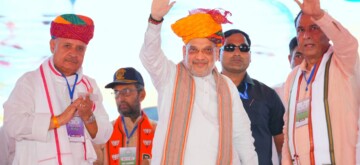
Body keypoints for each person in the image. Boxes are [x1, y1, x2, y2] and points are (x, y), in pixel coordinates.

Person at [139, 0, 258, 164]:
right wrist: (155, 21)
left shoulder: (227, 86)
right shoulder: (169, 76)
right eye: (193, 50)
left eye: (207, 50)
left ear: (216, 53)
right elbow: (149, 56)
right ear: (184, 52)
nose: (200, 57)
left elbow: (242, 136)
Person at [3, 14, 113, 164]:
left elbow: (104, 134)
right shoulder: (29, 82)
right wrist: (58, 120)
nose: (73, 54)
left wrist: (88, 117)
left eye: (80, 48)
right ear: (53, 46)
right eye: (67, 46)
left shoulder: (89, 85)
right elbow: (13, 125)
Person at [282, 0, 360, 164]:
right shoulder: (293, 77)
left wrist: (319, 15)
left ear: (327, 32)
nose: (306, 35)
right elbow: (287, 129)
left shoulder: (342, 62)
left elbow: (348, 43)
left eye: (314, 28)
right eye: (301, 30)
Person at [220, 29, 285, 165]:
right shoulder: (206, 91)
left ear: (250, 55)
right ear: (217, 53)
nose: (237, 53)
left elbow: (282, 145)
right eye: (230, 47)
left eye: (243, 48)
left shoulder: (267, 95)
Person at [102, 67, 156, 165]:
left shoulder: (158, 131)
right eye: (116, 92)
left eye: (126, 91)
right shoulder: (105, 132)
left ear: (142, 95)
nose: (120, 98)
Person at [273, 37, 304, 106]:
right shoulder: (275, 93)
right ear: (290, 59)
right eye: (298, 56)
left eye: (308, 57)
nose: (304, 62)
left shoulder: (323, 90)